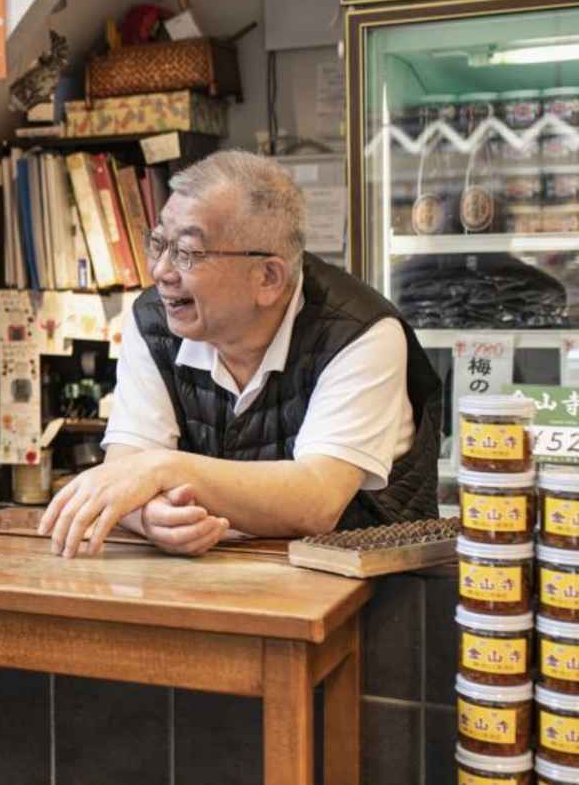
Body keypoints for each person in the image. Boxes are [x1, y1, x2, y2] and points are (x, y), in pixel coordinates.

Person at [38, 150, 441, 557]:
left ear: (267, 277)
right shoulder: (154, 321)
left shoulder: (361, 333)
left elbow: (318, 498)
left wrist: (163, 468)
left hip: (366, 599)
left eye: (188, 253)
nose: (161, 271)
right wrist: (152, 518)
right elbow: (124, 470)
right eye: (159, 243)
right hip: (217, 588)